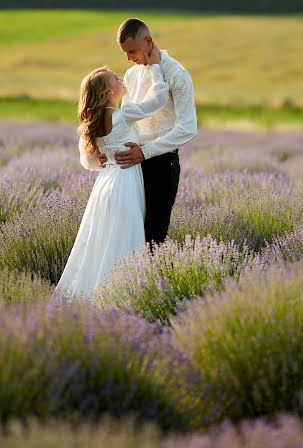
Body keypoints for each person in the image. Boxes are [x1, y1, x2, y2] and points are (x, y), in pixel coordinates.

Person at [55, 45, 169, 298]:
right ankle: (121, 297)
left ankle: (96, 294)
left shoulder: (92, 123)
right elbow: (159, 100)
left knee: (102, 239)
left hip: (105, 184)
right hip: (125, 182)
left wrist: (104, 160)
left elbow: (89, 161)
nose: (121, 78)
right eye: (116, 78)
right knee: (124, 239)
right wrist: (156, 68)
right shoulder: (122, 113)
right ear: (110, 90)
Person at [99, 17, 197, 251]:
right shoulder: (131, 75)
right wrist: (106, 150)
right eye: (124, 52)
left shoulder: (176, 73)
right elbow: (125, 121)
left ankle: (149, 285)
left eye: (132, 50)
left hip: (162, 164)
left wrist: (146, 152)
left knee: (154, 236)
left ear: (149, 41)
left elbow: (187, 128)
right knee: (127, 234)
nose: (128, 58)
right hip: (129, 166)